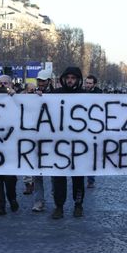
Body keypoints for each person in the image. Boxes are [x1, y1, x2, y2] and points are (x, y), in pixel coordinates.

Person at [51, 67, 86, 219]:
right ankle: (59, 206)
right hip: (59, 146)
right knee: (59, 178)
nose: (70, 80)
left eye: (73, 78)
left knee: (78, 178)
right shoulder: (54, 95)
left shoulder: (87, 96)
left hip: (80, 146)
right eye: (68, 77)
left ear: (78, 80)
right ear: (64, 79)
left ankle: (78, 205)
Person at [0, 74, 18, 217]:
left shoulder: (17, 97)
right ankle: (0, 205)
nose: (3, 86)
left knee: (10, 178)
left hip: (12, 145)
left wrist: (15, 96)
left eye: (6, 83)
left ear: (11, 84)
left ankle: (12, 197)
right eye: (0, 83)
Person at [30, 69, 53, 212]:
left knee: (56, 173)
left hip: (54, 140)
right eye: (39, 80)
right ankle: (39, 201)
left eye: (43, 80)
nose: (41, 83)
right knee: (37, 173)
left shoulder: (58, 95)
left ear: (49, 81)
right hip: (36, 139)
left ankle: (57, 198)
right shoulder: (30, 95)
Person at [83, 74, 102, 188]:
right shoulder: (80, 92)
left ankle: (90, 179)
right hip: (80, 127)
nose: (88, 85)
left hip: (93, 128)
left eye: (90, 83)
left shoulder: (99, 94)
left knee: (91, 154)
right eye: (87, 83)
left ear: (94, 84)